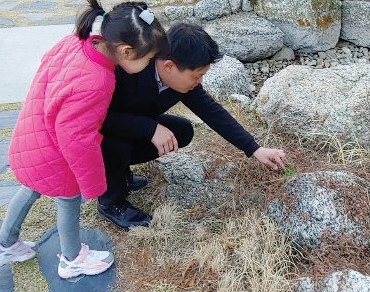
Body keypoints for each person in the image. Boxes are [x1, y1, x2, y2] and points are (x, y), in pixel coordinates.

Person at [0, 0, 168, 279]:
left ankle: (5, 245)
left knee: (30, 187)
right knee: (68, 199)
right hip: (57, 150)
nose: (149, 63)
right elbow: (78, 139)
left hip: (33, 135)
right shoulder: (97, 81)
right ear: (128, 52)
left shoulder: (77, 42)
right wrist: (92, 185)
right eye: (149, 58)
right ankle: (71, 259)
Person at [97, 22, 286, 229]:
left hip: (131, 125)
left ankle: (120, 172)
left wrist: (255, 148)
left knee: (182, 131)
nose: (199, 81)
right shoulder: (131, 67)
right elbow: (100, 119)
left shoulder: (181, 83)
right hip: (101, 132)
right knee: (117, 143)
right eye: (197, 75)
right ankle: (110, 201)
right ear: (169, 66)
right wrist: (148, 128)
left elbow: (212, 112)